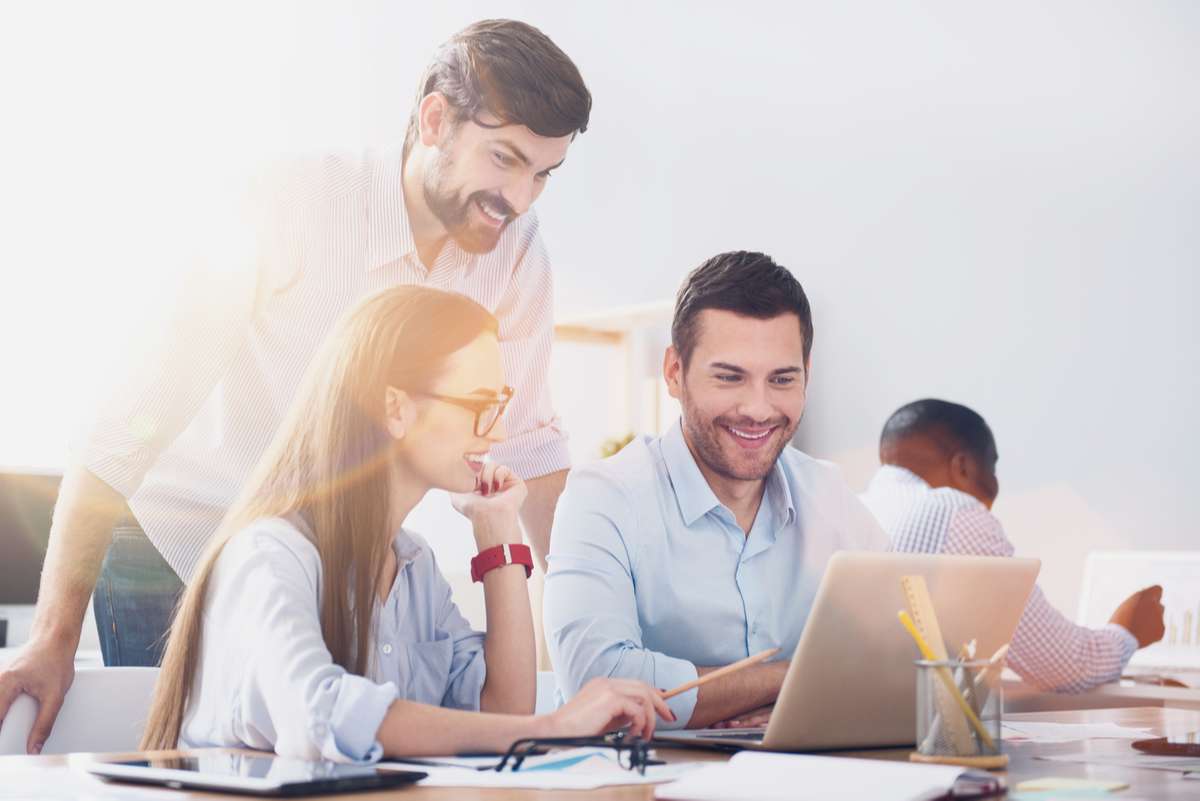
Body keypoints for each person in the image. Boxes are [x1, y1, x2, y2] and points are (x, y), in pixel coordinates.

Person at [0, 19, 590, 754]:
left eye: (543, 174)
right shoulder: (289, 203)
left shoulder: (516, 256)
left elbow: (532, 450)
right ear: (435, 119)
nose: (521, 198)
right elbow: (128, 421)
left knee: (321, 749)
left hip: (334, 553)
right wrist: (52, 638)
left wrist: (585, 655)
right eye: (505, 159)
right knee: (210, 754)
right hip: (180, 537)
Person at [139, 286, 672, 760]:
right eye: (479, 405)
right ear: (395, 408)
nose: (498, 429)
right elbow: (315, 716)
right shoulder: (270, 554)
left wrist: (499, 535)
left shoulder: (414, 567)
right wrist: (552, 727)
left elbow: (502, 714)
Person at [543, 251, 888, 731]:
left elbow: (896, 660)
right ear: (673, 372)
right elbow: (599, 682)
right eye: (729, 377)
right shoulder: (603, 498)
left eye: (782, 379)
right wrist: (791, 680)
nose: (758, 408)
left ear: (806, 373)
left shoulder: (829, 497)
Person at [860, 398, 1165, 693]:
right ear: (963, 467)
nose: (995, 486)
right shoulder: (954, 510)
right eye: (991, 468)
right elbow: (1067, 668)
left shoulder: (857, 507)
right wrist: (1128, 629)